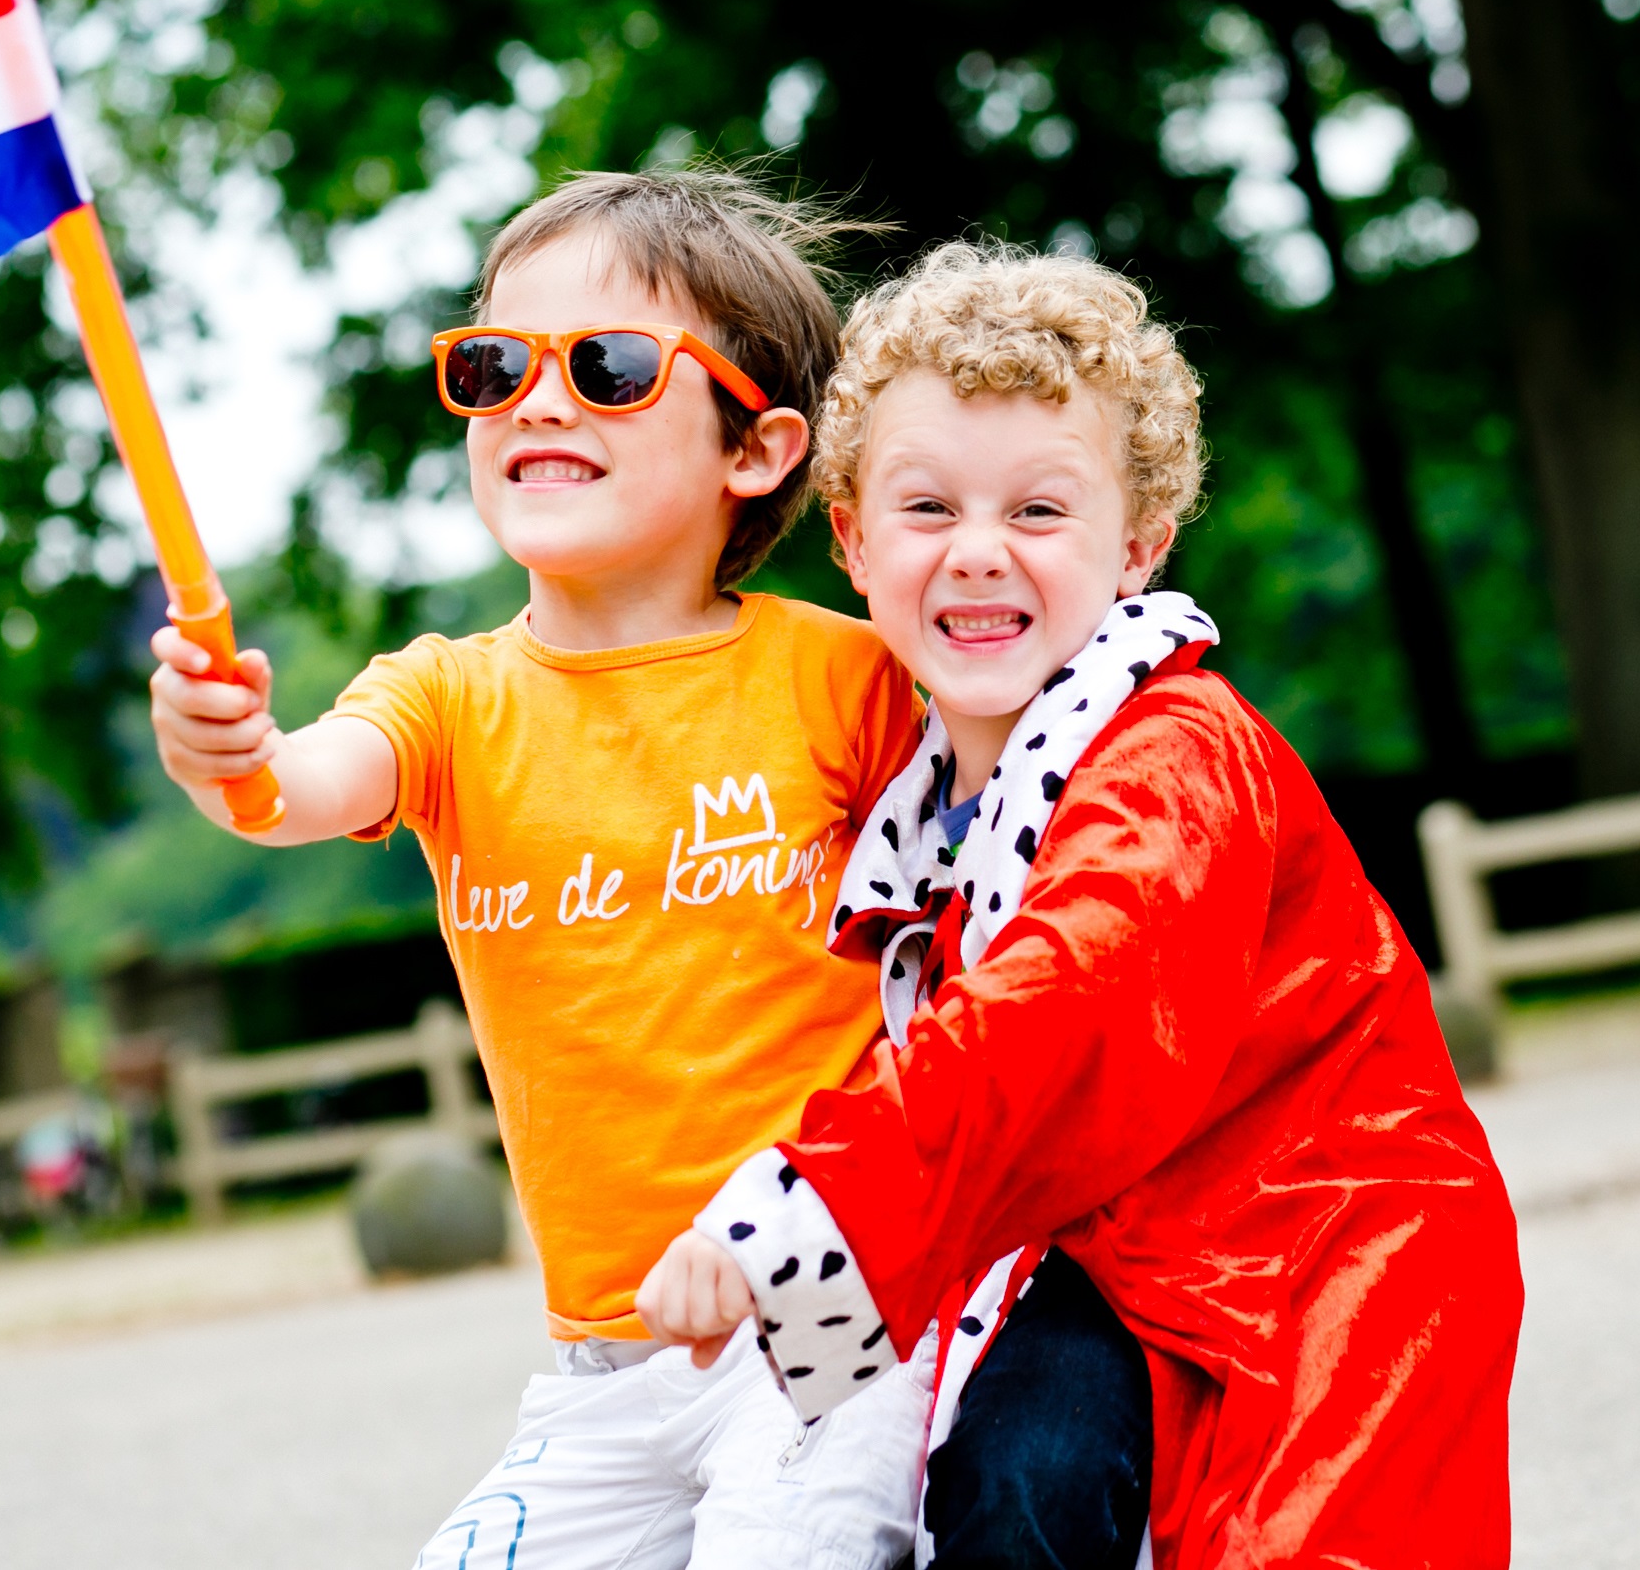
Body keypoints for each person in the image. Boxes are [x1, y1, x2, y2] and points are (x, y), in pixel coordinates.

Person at [636, 242, 1524, 1568]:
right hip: (1113, 1249)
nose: (979, 553)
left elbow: (1063, 998)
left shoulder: (1174, 752)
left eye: (1038, 513)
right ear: (854, 541)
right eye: (927, 510)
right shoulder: (913, 808)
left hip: (1311, 1231)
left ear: (1138, 549)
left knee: (1240, 1533)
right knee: (1005, 1481)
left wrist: (799, 1206)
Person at [150, 167, 951, 1568]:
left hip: (836, 1332)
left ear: (753, 451)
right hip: (603, 1379)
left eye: (609, 366)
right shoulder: (445, 701)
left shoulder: (851, 678)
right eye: (491, 365)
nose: (536, 397)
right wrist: (224, 749)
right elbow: (289, 787)